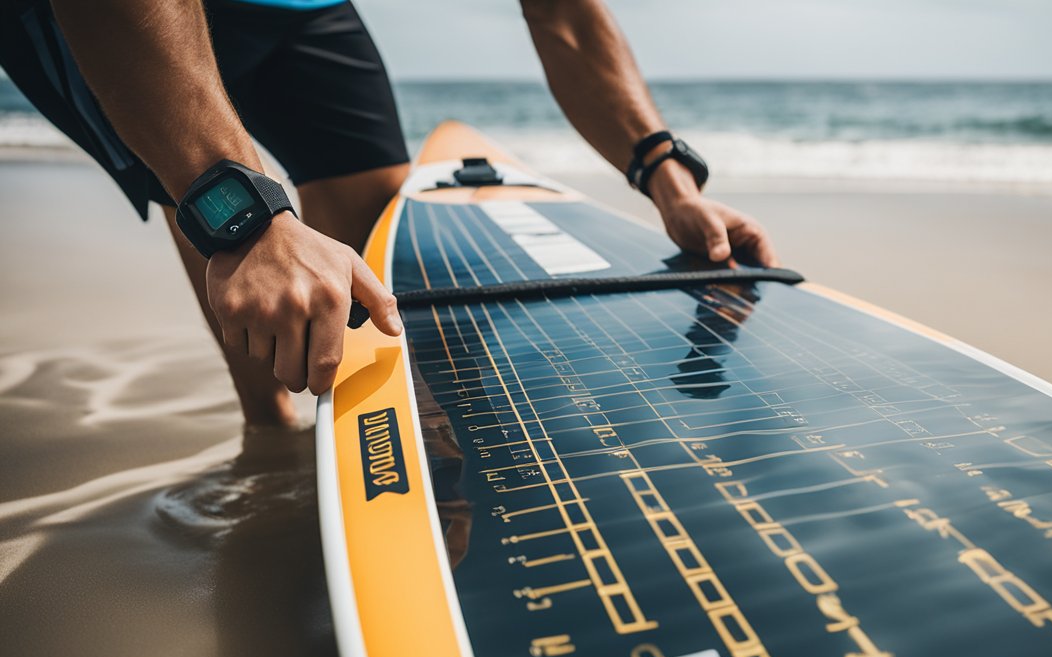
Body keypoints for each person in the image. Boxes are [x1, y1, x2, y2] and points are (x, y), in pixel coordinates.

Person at [0, 0, 779, 426]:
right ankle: (269, 438)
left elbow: (566, 16)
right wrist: (246, 218)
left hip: (298, 7)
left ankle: (347, 432)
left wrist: (668, 178)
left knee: (371, 231)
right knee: (226, 219)